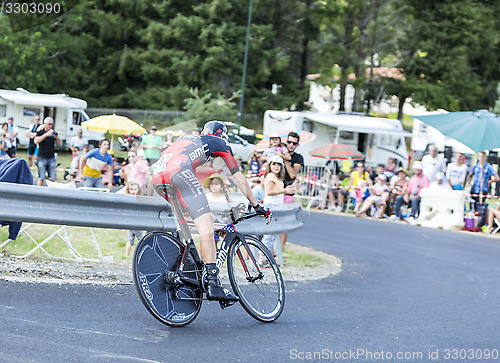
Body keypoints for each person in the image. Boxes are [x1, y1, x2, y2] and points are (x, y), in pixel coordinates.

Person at [151, 121, 269, 302]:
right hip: (178, 173)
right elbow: (239, 178)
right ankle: (213, 284)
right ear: (222, 136)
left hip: (158, 176)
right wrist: (256, 205)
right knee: (206, 227)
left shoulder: (190, 139)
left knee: (200, 220)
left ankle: (186, 262)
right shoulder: (219, 143)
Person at [262, 155, 295, 266]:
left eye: (278, 165)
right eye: (274, 164)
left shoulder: (275, 177)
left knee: (272, 234)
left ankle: (268, 256)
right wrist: (284, 191)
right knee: (269, 234)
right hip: (271, 207)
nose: (276, 167)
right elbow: (269, 192)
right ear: (270, 165)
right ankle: (263, 258)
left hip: (275, 207)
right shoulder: (270, 176)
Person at [281, 131, 303, 249]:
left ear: (297, 145)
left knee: (284, 223)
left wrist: (285, 160)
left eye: (294, 143)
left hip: (288, 191)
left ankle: (280, 250)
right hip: (276, 190)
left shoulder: (298, 158)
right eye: (289, 142)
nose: (291, 145)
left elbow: (293, 174)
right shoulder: (278, 152)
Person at [34, 117, 63, 186]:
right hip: (42, 157)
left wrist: (57, 137)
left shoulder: (53, 133)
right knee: (41, 177)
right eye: (49, 124)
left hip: (51, 158)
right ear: (44, 124)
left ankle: (51, 193)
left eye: (51, 124)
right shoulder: (40, 132)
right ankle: (38, 192)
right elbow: (36, 141)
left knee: (52, 178)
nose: (50, 126)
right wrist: (46, 135)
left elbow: (60, 144)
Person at [124, 181, 146, 256]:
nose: (133, 191)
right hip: (134, 222)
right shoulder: (133, 199)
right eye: (131, 189)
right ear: (128, 190)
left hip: (133, 222)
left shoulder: (138, 199)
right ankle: (128, 254)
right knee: (139, 239)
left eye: (134, 189)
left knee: (131, 239)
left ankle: (128, 255)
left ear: (138, 190)